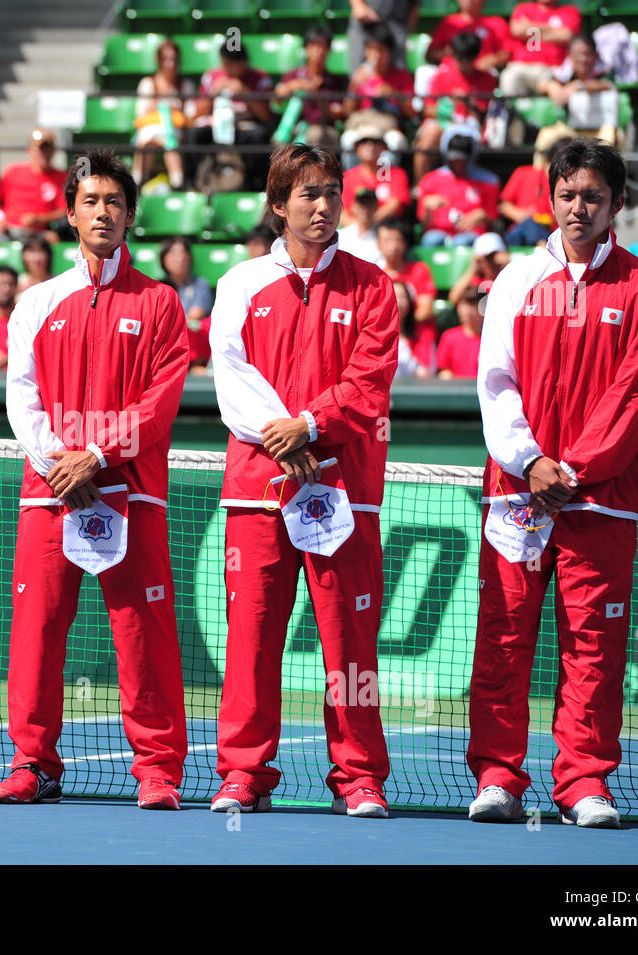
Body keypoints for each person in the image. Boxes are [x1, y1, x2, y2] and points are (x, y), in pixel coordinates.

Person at [468, 139, 638, 828]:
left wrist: (575, 468)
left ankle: (584, 781)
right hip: (517, 494)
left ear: (616, 203)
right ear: (548, 197)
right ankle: (498, 777)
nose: (578, 206)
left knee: (592, 644)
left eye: (593, 195)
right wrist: (530, 462)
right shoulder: (514, 278)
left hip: (600, 499)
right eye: (567, 193)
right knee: (503, 638)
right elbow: (495, 382)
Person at [0, 149, 189, 809]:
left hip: (131, 492)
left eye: (115, 202)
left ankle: (157, 769)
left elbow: (161, 403)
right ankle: (31, 762)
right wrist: (56, 461)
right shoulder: (36, 301)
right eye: (92, 200)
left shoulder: (161, 303)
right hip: (50, 492)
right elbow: (21, 394)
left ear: (131, 214)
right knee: (38, 627)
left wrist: (97, 454)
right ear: (71, 212)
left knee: (142, 630)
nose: (103, 212)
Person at [209, 143, 396, 817]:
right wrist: (283, 434)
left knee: (350, 644)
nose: (322, 206)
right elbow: (230, 377)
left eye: (331, 192)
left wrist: (310, 425)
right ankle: (243, 773)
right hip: (257, 488)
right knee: (253, 638)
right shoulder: (238, 283)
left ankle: (358, 776)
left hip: (343, 491)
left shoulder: (374, 285)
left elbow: (369, 385)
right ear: (278, 204)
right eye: (307, 194)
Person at [415, 31, 498, 182]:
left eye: (468, 58)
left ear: (475, 56)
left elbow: (485, 116)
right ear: (452, 54)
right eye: (459, 57)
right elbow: (427, 110)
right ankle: (422, 186)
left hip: (472, 127)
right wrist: (449, 105)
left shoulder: (488, 79)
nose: (463, 63)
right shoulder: (441, 75)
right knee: (430, 134)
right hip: (444, 123)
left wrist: (468, 103)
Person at [191, 46, 274, 190]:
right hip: (216, 125)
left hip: (245, 126)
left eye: (232, 65)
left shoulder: (260, 78)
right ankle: (194, 182)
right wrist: (213, 94)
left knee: (258, 136)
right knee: (194, 134)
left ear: (244, 62)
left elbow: (265, 116)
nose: (227, 69)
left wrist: (246, 93)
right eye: (225, 63)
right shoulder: (211, 77)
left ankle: (254, 184)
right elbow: (198, 113)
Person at [416, 123, 499, 246]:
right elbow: (424, 223)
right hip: (439, 232)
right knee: (430, 240)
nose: (457, 164)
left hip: (471, 233)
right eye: (453, 160)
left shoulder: (489, 181)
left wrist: (483, 215)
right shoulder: (430, 179)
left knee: (462, 241)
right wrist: (427, 207)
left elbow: (493, 218)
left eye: (461, 160)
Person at [0, 128, 69, 243]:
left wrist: (40, 219)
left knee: (53, 239)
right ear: (30, 150)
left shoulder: (62, 178)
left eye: (47, 148)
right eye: (39, 149)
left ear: (54, 151)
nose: (43, 153)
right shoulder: (13, 172)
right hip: (8, 229)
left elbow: (64, 210)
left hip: (39, 233)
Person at [133, 41, 195, 188]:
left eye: (173, 59)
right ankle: (137, 184)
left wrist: (173, 111)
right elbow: (140, 114)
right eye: (166, 59)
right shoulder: (147, 83)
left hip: (174, 131)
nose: (170, 64)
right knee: (147, 143)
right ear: (159, 60)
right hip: (150, 130)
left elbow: (190, 116)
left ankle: (177, 184)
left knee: (170, 143)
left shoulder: (186, 85)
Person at [540, 35, 621, 148]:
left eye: (587, 54)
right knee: (545, 137)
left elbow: (607, 85)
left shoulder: (605, 71)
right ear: (569, 56)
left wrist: (579, 85)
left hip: (600, 128)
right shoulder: (563, 75)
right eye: (578, 54)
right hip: (571, 129)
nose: (583, 59)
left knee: (609, 138)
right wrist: (551, 86)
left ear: (596, 55)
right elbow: (542, 85)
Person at [273, 26, 347, 150]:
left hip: (322, 131)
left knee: (315, 135)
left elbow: (338, 114)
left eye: (323, 46)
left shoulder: (335, 82)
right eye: (314, 45)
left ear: (329, 50)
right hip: (294, 129)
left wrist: (318, 96)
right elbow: (276, 101)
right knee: (279, 140)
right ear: (306, 48)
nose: (319, 51)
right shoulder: (292, 76)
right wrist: (292, 86)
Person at [499, 123, 571, 247]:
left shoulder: (571, 183)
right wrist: (522, 215)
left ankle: (542, 245)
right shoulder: (523, 173)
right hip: (520, 233)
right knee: (527, 225)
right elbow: (504, 206)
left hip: (553, 235)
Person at [377, 220, 436, 368]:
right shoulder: (374, 275)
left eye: (397, 239)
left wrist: (402, 322)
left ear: (404, 243)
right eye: (387, 240)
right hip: (384, 336)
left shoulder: (419, 270)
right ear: (378, 244)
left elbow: (425, 310)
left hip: (416, 335)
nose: (393, 245)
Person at [345, 22, 416, 140]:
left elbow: (412, 113)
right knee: (348, 139)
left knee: (395, 140)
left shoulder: (402, 76)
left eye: (381, 50)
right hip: (362, 125)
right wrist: (353, 87)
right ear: (366, 51)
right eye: (372, 49)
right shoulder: (360, 76)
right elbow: (347, 112)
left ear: (390, 52)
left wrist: (393, 94)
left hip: (388, 127)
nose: (377, 56)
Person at [499, 0, 581, 98]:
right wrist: (552, 29)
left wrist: (529, 30)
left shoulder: (569, 11)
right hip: (521, 67)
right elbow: (517, 30)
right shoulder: (523, 8)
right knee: (509, 78)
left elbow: (567, 35)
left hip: (553, 69)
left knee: (556, 89)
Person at [160, 236, 213, 369]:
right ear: (163, 258)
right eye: (173, 253)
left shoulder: (199, 284)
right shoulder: (158, 286)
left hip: (192, 339)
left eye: (182, 253)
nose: (179, 258)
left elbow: (197, 314)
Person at [341, 125, 410, 225]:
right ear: (357, 148)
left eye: (375, 142)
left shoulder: (397, 174)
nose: (370, 145)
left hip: (387, 229)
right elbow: (342, 211)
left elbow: (395, 204)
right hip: (355, 231)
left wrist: (368, 225)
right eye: (364, 142)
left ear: (383, 147)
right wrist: (357, 232)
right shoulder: (346, 177)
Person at [427, 0, 512, 72]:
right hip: (450, 71)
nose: (469, 1)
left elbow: (507, 52)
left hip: (483, 73)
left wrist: (493, 60)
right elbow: (430, 54)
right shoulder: (448, 23)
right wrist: (452, 51)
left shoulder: (496, 23)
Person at [348, 0, 419, 73]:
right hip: (365, 24)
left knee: (398, 73)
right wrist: (358, 4)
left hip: (397, 25)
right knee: (360, 74)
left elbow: (415, 6)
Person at [436, 285, 484, 378]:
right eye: (463, 305)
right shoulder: (449, 337)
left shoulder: (492, 339)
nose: (466, 311)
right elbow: (443, 370)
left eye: (472, 305)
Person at [449, 231, 509, 304]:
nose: (493, 261)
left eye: (494, 255)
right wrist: (472, 269)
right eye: (488, 257)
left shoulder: (509, 276)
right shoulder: (477, 281)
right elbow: (453, 298)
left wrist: (508, 264)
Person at [393, 281, 430, 378]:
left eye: (402, 297)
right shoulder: (375, 332)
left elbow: (425, 372)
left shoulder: (422, 334)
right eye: (394, 296)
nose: (398, 302)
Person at [337, 187, 381, 263]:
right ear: (355, 207)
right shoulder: (340, 236)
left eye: (369, 204)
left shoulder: (382, 238)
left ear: (376, 207)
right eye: (362, 204)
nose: (365, 209)